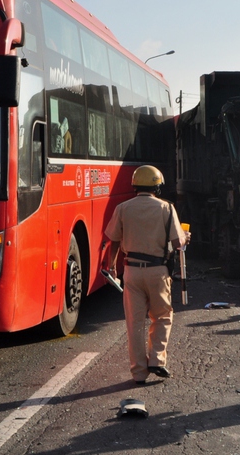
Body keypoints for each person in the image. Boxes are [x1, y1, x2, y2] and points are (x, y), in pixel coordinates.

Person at [104, 165, 190, 385]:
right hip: (158, 271)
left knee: (134, 323)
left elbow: (113, 239)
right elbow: (177, 244)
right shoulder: (166, 208)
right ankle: (157, 360)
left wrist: (112, 266)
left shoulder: (123, 208)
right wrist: (185, 237)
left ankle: (139, 373)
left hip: (131, 271)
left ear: (135, 185)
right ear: (158, 186)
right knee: (162, 316)